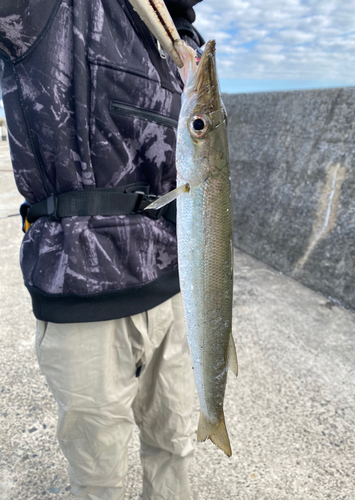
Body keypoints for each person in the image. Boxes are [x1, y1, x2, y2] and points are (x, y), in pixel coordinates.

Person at [0, 1, 204, 499]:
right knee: (99, 478)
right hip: (83, 296)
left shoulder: (188, 47)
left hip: (177, 289)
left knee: (176, 446)